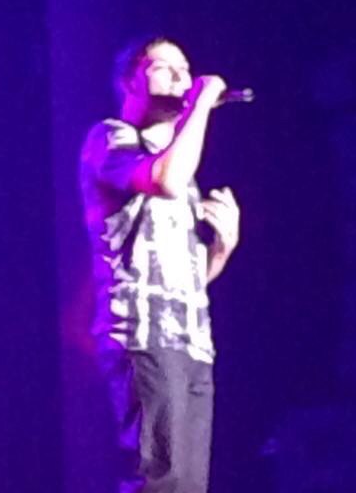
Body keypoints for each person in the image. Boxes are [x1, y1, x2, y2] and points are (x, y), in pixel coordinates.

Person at [79, 36, 241, 493]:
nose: (182, 78)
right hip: (144, 337)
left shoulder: (184, 176)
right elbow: (165, 179)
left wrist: (222, 249)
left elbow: (185, 281)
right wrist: (202, 104)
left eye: (186, 70)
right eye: (164, 68)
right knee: (160, 481)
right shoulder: (112, 138)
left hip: (191, 343)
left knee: (188, 486)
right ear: (129, 82)